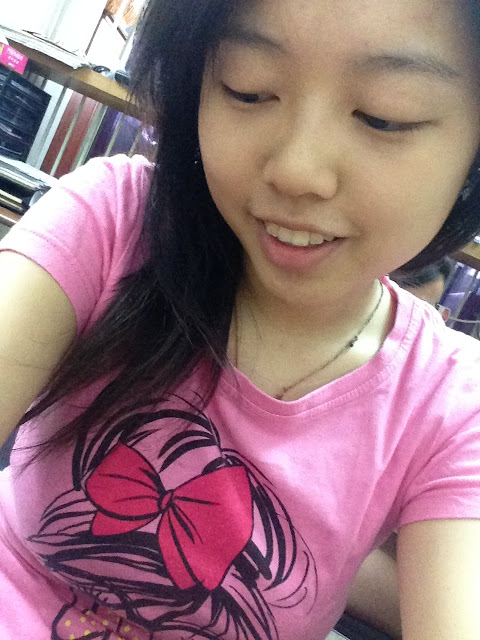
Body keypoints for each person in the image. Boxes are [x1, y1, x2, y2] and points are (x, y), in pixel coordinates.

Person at [0, 1, 480, 639]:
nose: (297, 171)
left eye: (384, 116)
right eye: (248, 89)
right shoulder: (114, 221)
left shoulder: (452, 406)